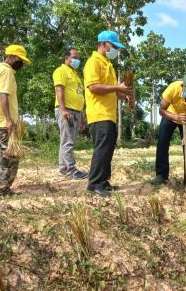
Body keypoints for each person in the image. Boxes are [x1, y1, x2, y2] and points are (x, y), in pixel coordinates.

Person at [83, 30, 133, 197]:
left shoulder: (107, 65)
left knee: (108, 149)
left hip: (109, 115)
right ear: (104, 44)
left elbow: (113, 92)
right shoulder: (93, 63)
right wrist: (116, 88)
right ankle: (94, 184)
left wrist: (124, 94)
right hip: (99, 114)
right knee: (102, 149)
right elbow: (93, 87)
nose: (116, 51)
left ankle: (103, 181)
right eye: (114, 46)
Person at [0, 45, 31, 199]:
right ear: (12, 57)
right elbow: (4, 95)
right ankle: (3, 190)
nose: (21, 63)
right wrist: (9, 120)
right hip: (3, 125)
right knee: (8, 159)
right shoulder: (7, 72)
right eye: (20, 60)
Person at [151, 72, 186, 196]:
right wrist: (175, 116)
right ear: (183, 86)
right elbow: (161, 110)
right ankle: (161, 175)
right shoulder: (173, 88)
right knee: (162, 144)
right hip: (170, 115)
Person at [53, 48, 88, 180]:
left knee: (69, 141)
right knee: (68, 142)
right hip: (67, 110)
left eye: (78, 58)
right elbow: (59, 90)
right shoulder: (60, 71)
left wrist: (82, 116)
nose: (77, 60)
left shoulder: (75, 74)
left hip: (76, 111)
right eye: (74, 57)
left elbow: (79, 94)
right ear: (66, 57)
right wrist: (63, 110)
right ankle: (71, 170)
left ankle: (64, 168)